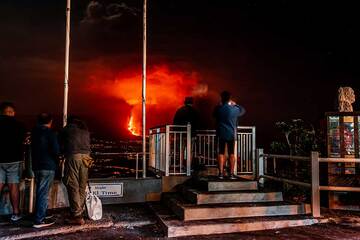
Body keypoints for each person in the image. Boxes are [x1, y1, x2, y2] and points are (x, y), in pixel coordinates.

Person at [59, 116, 91, 225]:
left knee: (72, 184)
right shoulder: (85, 130)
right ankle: (79, 211)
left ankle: (77, 216)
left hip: (74, 156)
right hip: (87, 157)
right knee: (82, 185)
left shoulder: (67, 129)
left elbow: (60, 144)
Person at [31, 113, 59, 228]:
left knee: (40, 191)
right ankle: (39, 220)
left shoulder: (34, 132)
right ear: (50, 121)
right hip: (47, 166)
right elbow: (56, 150)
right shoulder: (50, 133)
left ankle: (40, 214)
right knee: (43, 193)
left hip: (37, 166)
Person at [0, 102, 25, 222]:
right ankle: (15, 213)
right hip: (14, 159)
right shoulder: (19, 125)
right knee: (13, 186)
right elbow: (22, 140)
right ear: (13, 113)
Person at [213, 91, 245, 179]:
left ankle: (220, 174)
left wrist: (220, 105)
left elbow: (213, 115)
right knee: (231, 153)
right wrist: (236, 104)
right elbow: (243, 111)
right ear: (230, 98)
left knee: (221, 153)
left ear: (221, 98)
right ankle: (231, 174)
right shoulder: (235, 109)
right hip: (231, 134)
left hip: (221, 133)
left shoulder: (218, 108)